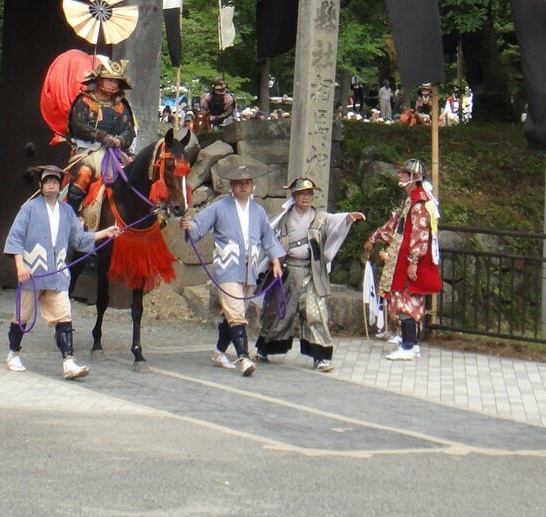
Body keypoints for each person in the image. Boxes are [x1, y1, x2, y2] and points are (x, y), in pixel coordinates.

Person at [3, 166, 117, 378]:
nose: (51, 185)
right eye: (48, 182)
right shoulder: (29, 209)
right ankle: (13, 354)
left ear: (60, 186)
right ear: (41, 186)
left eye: (55, 182)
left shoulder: (67, 211)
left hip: (58, 274)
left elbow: (79, 239)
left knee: (64, 315)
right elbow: (15, 238)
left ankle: (68, 362)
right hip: (32, 273)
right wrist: (20, 266)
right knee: (22, 316)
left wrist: (105, 233)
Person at [181, 155, 284, 377]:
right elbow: (199, 226)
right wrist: (190, 227)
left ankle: (219, 352)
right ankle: (244, 358)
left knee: (234, 313)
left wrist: (275, 261)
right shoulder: (219, 207)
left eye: (247, 183)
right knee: (237, 314)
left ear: (252, 185)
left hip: (249, 270)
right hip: (227, 267)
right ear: (232, 185)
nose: (243, 187)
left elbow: (268, 238)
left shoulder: (258, 211)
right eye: (239, 183)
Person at [256, 176, 365, 371]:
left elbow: (336, 221)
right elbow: (269, 239)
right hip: (287, 270)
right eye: (301, 194)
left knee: (316, 313)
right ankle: (265, 348)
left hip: (312, 272)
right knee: (279, 312)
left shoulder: (321, 217)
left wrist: (348, 217)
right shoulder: (283, 218)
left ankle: (320, 355)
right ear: (294, 196)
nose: (306, 197)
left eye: (309, 193)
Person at [363, 159, 440, 360]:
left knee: (407, 302)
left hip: (410, 259)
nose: (400, 176)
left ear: (414, 177)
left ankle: (408, 345)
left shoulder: (420, 203)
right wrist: (375, 237)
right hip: (403, 257)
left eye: (404, 173)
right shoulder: (411, 200)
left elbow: (420, 234)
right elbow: (395, 224)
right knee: (402, 299)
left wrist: (413, 260)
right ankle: (410, 344)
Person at [64, 59, 136, 213]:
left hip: (117, 153)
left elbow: (130, 131)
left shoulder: (121, 105)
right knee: (84, 174)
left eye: (116, 81)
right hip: (88, 152)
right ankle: (70, 215)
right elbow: (77, 125)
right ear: (99, 80)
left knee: (138, 174)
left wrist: (120, 140)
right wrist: (102, 136)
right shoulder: (85, 100)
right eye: (110, 80)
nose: (113, 84)